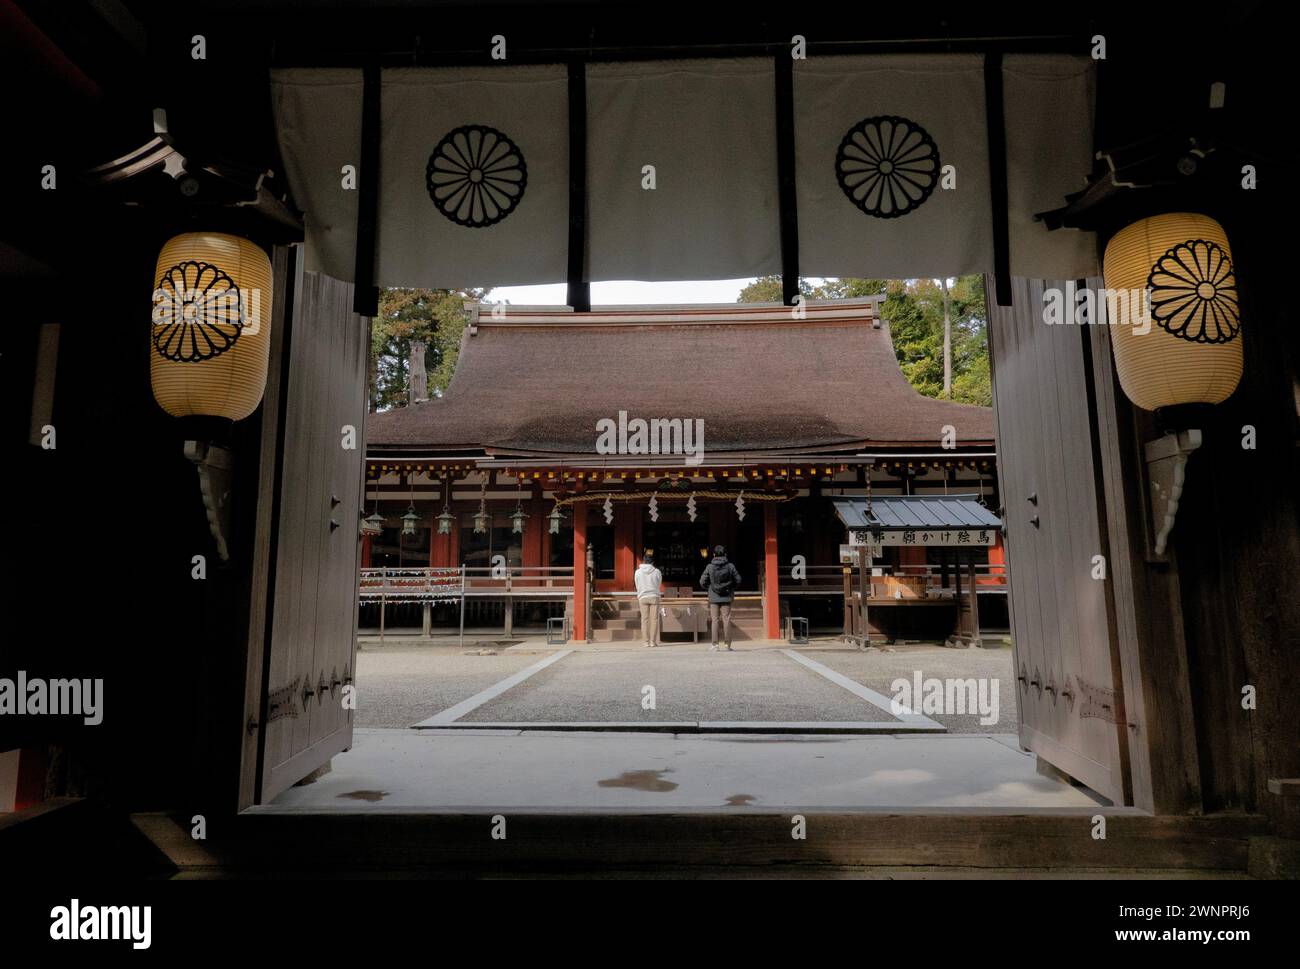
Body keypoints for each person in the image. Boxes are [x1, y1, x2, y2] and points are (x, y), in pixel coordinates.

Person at [700, 544, 742, 651]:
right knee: (726, 619)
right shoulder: (730, 566)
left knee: (715, 620)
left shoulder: (709, 566)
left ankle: (715, 645)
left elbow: (702, 582)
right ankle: (727, 645)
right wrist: (731, 587)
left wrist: (710, 588)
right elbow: (738, 580)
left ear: (714, 554)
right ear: (725, 554)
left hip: (714, 597)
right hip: (726, 596)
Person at [634, 550, 663, 648]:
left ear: (643, 561)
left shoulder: (637, 572)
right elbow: (659, 584)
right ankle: (652, 642)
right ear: (652, 562)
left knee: (644, 620)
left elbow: (637, 584)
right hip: (654, 596)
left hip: (642, 596)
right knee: (654, 620)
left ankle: (646, 642)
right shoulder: (657, 571)